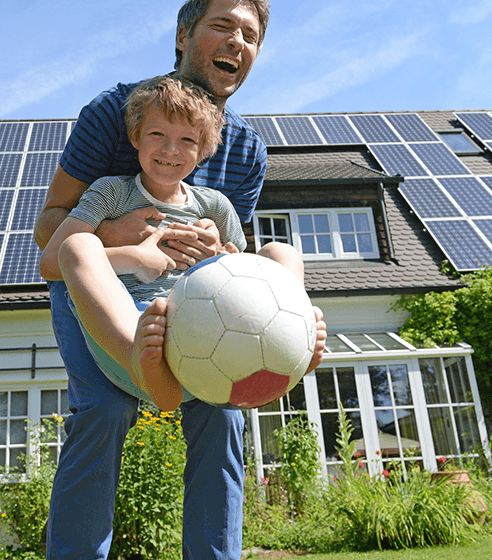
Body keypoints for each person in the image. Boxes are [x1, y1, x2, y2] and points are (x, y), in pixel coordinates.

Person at [33, 0, 326, 560]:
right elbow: (52, 236)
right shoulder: (115, 110)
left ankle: (290, 345)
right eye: (222, 25)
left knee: (221, 416)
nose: (236, 41)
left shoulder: (245, 150)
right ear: (183, 35)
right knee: (105, 410)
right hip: (103, 289)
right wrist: (125, 238)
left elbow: (238, 266)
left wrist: (224, 258)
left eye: (250, 35)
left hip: (193, 303)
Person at [39, 75, 308, 412]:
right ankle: (140, 363)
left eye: (186, 140)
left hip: (201, 332)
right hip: (133, 331)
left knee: (280, 253)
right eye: (157, 135)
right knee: (77, 245)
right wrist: (134, 258)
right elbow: (51, 262)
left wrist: (219, 258)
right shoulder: (111, 193)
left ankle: (294, 338)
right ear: (135, 137)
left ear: (203, 151)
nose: (170, 150)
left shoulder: (215, 206)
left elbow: (244, 276)